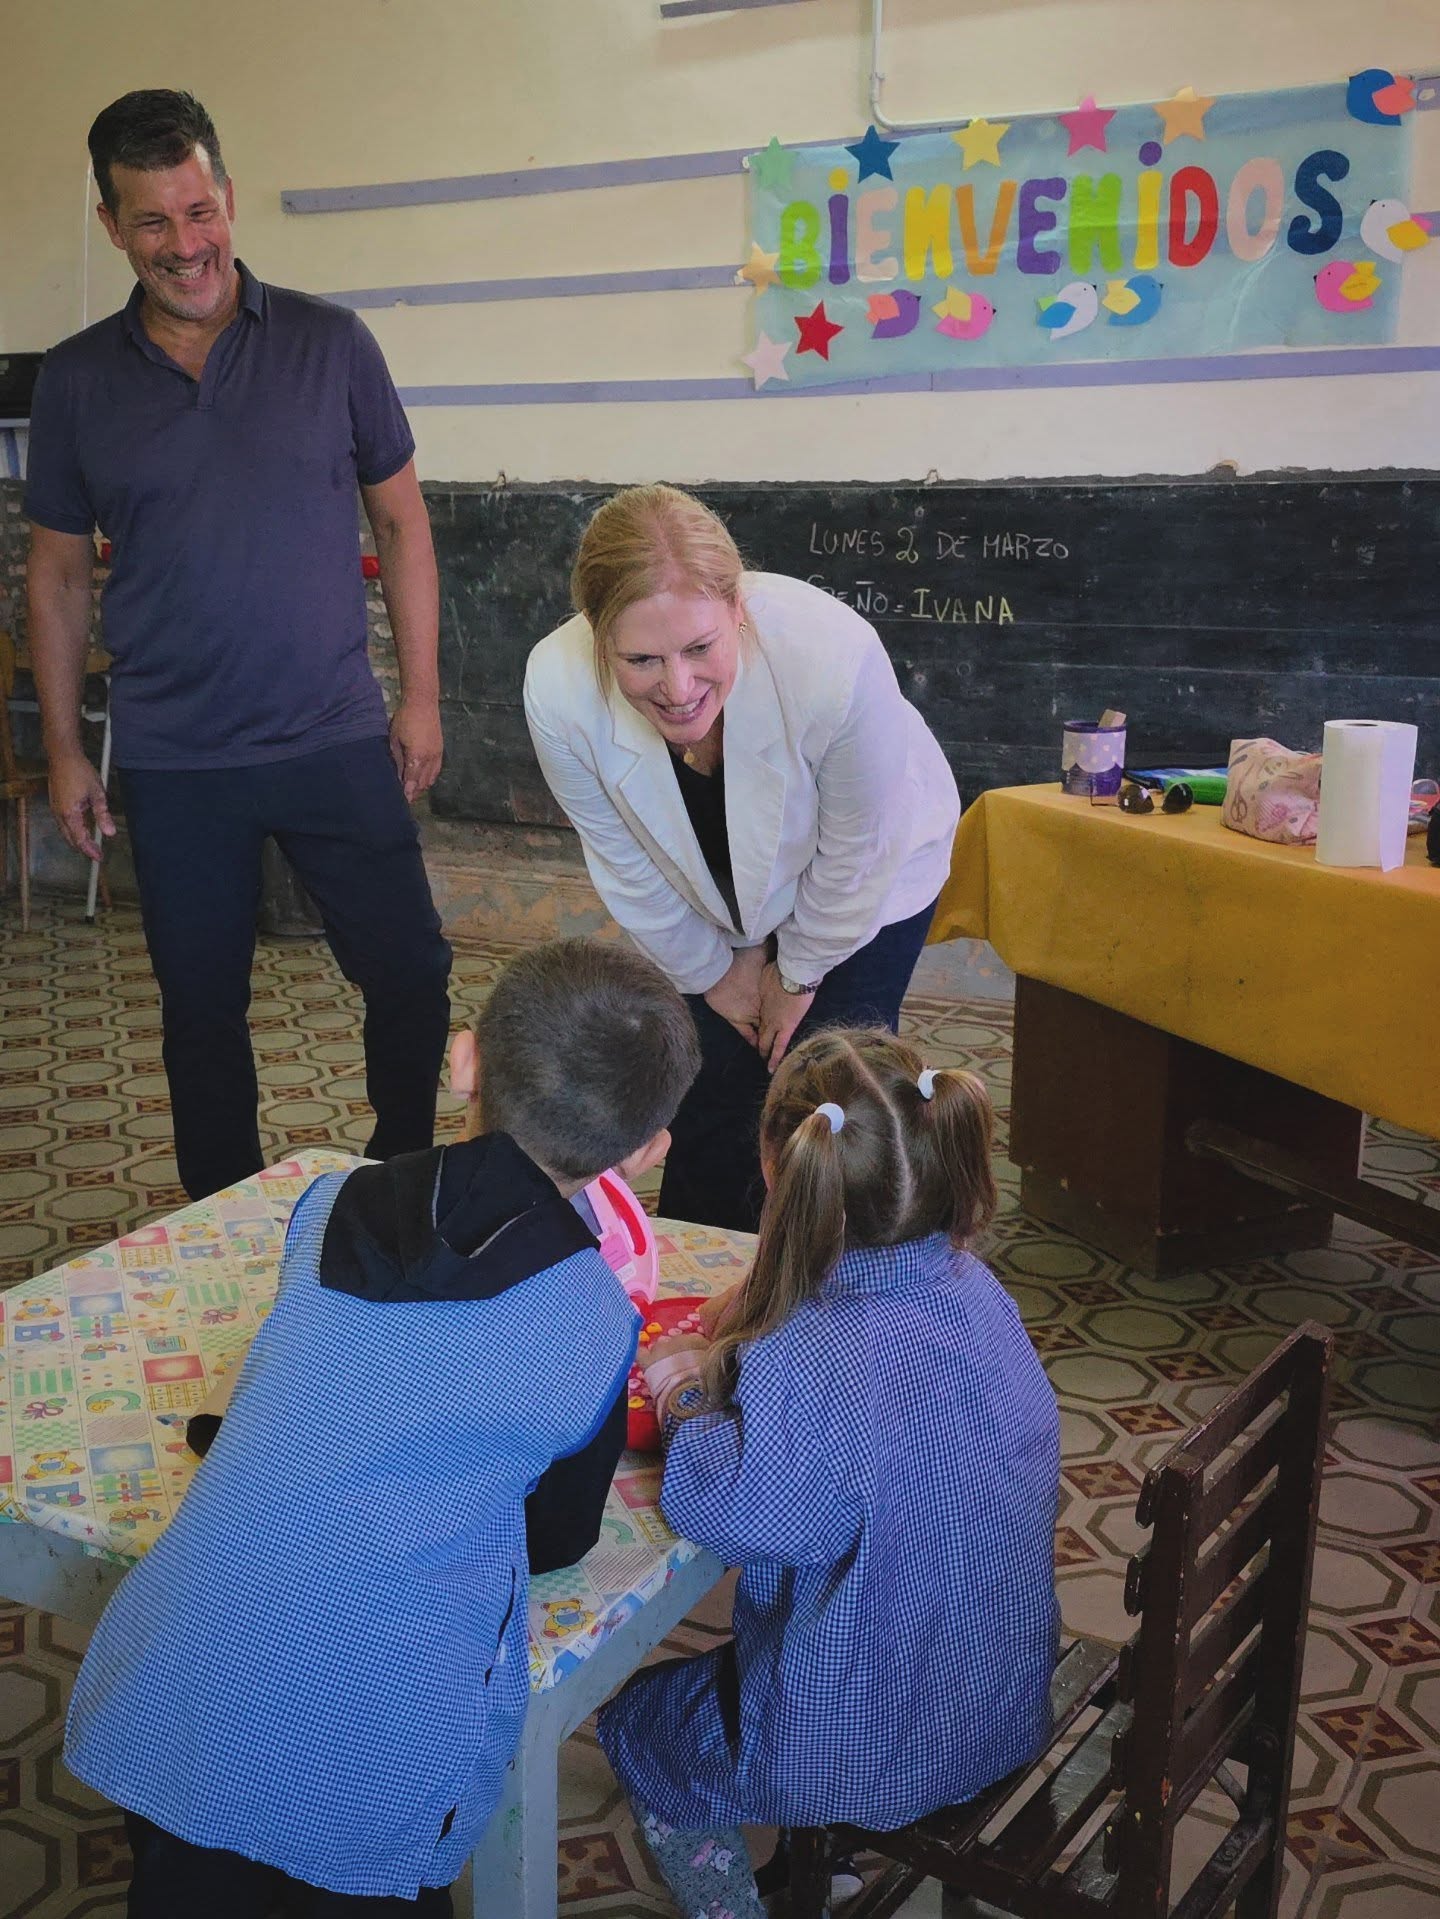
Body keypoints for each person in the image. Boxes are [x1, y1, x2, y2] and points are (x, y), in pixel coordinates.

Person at [63, 937, 702, 1917]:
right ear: (649, 1149)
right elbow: (557, 1534)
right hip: (364, 1754)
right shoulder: (593, 1318)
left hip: (172, 1685)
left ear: (463, 1062)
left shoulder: (322, 1204)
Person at [25, 89, 452, 1201]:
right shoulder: (75, 382)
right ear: (113, 227)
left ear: (227, 198)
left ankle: (401, 1169)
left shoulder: (331, 343)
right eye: (153, 221)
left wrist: (421, 697)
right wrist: (69, 749)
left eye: (200, 209)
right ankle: (226, 1209)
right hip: (176, 757)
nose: (186, 244)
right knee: (199, 1011)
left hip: (331, 730)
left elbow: (402, 521)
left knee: (410, 969)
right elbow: (61, 571)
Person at [595, 1027, 1060, 1918]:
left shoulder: (810, 1354)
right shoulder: (974, 1286)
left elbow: (726, 1510)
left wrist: (684, 1389)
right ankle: (834, 1857)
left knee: (643, 1728)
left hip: (883, 1735)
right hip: (999, 1687)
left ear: (781, 1173)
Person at [524, 484, 961, 1233]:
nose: (679, 687)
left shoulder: (833, 656)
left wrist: (797, 973)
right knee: (710, 1087)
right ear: (597, 637)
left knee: (830, 1092)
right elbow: (626, 862)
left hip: (869, 878)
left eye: (700, 648)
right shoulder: (558, 690)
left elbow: (858, 849)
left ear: (739, 611)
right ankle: (709, 1285)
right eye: (641, 659)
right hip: (708, 900)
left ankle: (838, 1282)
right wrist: (717, 975)